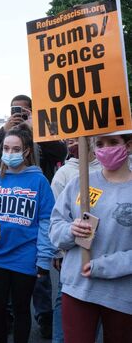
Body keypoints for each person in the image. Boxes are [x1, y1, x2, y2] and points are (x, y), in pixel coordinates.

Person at [0, 95, 66, 338]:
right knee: (0, 305)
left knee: (32, 295)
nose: (18, 114)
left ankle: (45, 318)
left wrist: (33, 126)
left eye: (23, 111)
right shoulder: (2, 138)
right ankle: (6, 322)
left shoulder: (43, 130)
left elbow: (61, 150)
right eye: (14, 110)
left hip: (30, 239)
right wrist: (3, 133)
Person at [49, 130, 132, 343]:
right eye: (100, 144)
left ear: (128, 146)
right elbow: (55, 227)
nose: (106, 149)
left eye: (113, 142)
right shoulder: (79, 182)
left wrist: (102, 267)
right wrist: (70, 231)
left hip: (121, 293)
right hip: (78, 288)